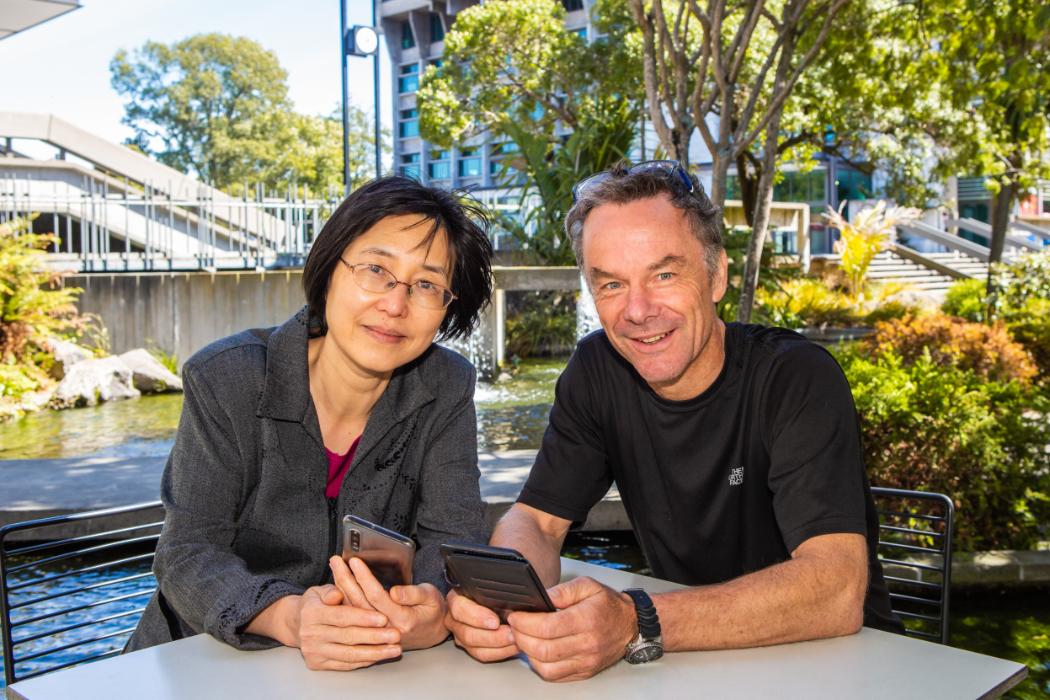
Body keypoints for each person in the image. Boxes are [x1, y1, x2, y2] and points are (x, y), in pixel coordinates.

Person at [445, 161, 900, 682]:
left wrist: (637, 619)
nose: (638, 310)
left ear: (716, 276)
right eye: (612, 284)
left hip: (847, 673)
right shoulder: (597, 372)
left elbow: (836, 591)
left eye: (664, 275)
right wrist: (503, 599)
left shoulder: (795, 377)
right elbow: (536, 522)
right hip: (696, 669)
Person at [127, 176, 494, 671]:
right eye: (375, 269)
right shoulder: (227, 379)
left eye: (427, 284)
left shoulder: (446, 386)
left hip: (368, 669)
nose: (395, 304)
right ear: (328, 270)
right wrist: (291, 616)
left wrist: (434, 605)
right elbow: (187, 553)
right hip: (202, 662)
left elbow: (453, 540)